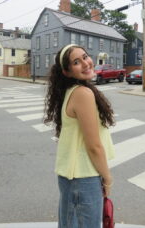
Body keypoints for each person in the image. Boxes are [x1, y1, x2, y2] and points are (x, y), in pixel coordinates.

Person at [44, 44, 115, 228]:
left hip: (75, 178)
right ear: (67, 72)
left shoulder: (73, 91)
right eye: (76, 62)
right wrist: (107, 177)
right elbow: (94, 146)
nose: (85, 63)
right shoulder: (82, 93)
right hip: (83, 178)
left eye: (85, 57)